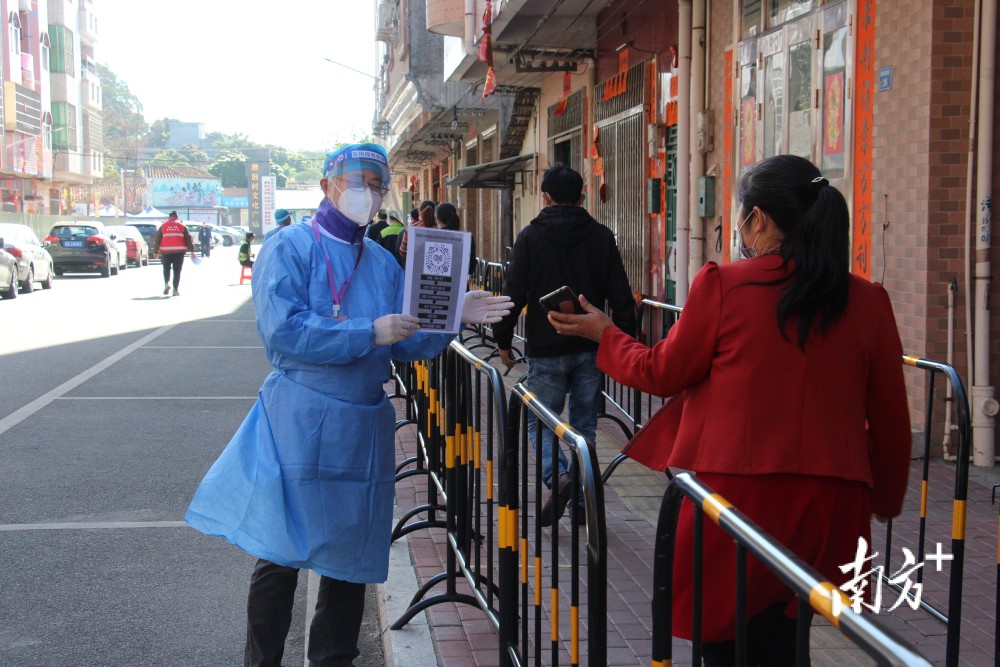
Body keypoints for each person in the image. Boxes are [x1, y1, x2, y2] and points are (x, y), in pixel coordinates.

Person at [547, 154, 912, 663]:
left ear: (758, 219)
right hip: (833, 509)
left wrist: (604, 334)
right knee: (789, 645)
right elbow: (894, 427)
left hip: (737, 505)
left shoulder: (725, 286)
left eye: (741, 219)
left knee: (724, 649)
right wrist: (883, 502)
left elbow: (660, 372)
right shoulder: (869, 300)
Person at [184, 142, 511, 667]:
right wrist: (366, 330)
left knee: (350, 557)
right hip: (300, 419)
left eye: (376, 184)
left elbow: (403, 340)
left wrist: (451, 315)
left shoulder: (381, 262)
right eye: (355, 181)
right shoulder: (289, 246)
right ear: (326, 186)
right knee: (280, 551)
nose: (366, 193)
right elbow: (283, 332)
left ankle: (333, 660)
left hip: (360, 426)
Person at [492, 163, 636, 527]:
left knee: (542, 423)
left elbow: (514, 293)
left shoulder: (529, 237)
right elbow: (621, 295)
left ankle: (558, 480)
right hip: (593, 347)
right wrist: (628, 345)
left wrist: (503, 340)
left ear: (545, 197)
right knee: (585, 427)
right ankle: (583, 498)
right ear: (582, 196)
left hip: (546, 348)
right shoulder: (602, 237)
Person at [153, 211, 194, 297]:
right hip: (179, 252)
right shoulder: (181, 226)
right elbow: (188, 239)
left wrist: (156, 252)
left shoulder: (163, 226)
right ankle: (175, 289)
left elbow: (158, 239)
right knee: (177, 271)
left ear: (169, 217)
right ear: (177, 217)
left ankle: (167, 283)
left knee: (166, 269)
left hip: (166, 252)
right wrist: (192, 251)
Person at [433, 202, 476, 276]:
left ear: (438, 220)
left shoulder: (430, 238)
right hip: (459, 285)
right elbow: (471, 268)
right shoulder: (466, 239)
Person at [394, 199, 434, 268]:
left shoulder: (411, 229)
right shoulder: (440, 229)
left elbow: (402, 251)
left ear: (419, 212)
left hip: (416, 268)